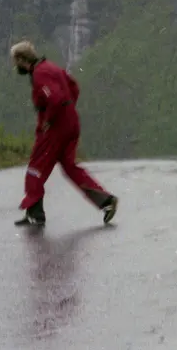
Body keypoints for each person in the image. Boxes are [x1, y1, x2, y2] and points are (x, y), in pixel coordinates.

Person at [9, 40, 118, 227]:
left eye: (15, 61)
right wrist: (69, 110)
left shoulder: (39, 73)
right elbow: (73, 87)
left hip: (55, 128)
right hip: (70, 122)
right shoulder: (50, 67)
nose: (14, 65)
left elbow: (55, 98)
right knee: (70, 166)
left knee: (35, 168)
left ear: (21, 59)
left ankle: (35, 214)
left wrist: (49, 120)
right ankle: (106, 201)